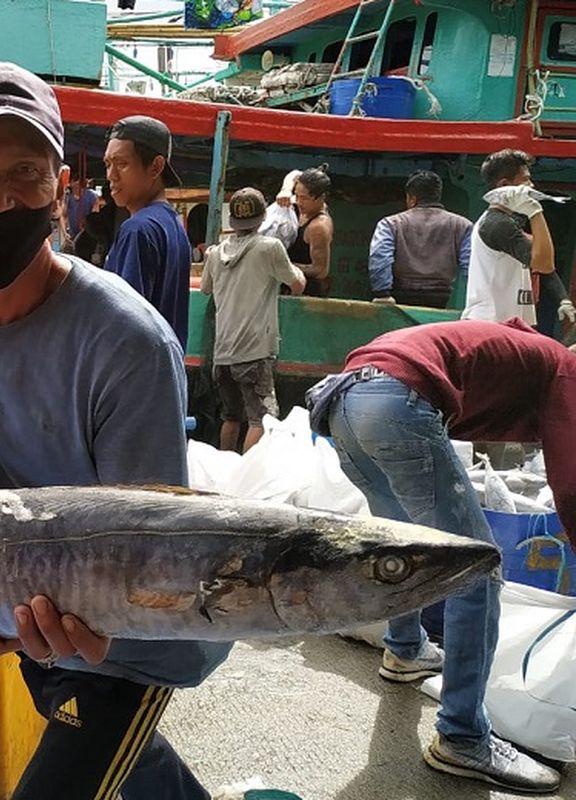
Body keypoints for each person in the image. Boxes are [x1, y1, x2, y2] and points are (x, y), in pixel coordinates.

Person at [0, 62, 231, 800]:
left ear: (60, 189)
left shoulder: (128, 342)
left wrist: (68, 624)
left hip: (134, 637)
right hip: (16, 601)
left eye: (23, 174)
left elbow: (141, 553)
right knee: (134, 768)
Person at [307, 318, 573, 794]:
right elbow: (569, 477)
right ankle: (464, 737)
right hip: (396, 398)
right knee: (475, 567)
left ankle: (406, 649)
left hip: (346, 398)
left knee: (408, 547)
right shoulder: (566, 371)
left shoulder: (532, 350)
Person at [201, 188, 306, 453]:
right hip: (254, 352)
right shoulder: (270, 247)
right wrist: (297, 271)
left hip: (222, 354)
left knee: (231, 417)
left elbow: (206, 289)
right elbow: (297, 285)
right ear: (262, 218)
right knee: (261, 420)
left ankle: (224, 476)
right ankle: (247, 481)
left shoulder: (215, 253)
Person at [103, 115, 194, 349]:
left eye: (121, 164)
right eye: (108, 164)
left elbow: (122, 326)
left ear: (155, 167)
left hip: (134, 377)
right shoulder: (173, 225)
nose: (110, 176)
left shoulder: (138, 230)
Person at [462, 149, 575, 328]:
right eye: (525, 179)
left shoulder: (507, 221)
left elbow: (544, 268)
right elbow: (543, 263)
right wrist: (535, 212)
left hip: (507, 322)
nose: (531, 186)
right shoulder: (497, 224)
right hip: (492, 323)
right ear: (505, 185)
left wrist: (562, 299)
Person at [368, 170, 472, 308]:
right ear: (437, 196)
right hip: (440, 296)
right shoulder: (462, 225)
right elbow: (470, 266)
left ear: (412, 199)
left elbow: (380, 257)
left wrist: (382, 294)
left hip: (401, 293)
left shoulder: (390, 224)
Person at [287, 166, 333, 298]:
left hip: (307, 295)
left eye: (305, 198)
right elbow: (293, 175)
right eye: (296, 196)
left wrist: (285, 265)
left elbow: (320, 270)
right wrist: (285, 191)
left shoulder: (319, 227)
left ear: (320, 198)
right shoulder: (300, 211)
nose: (299, 202)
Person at [63, 176, 98, 249]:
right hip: (72, 234)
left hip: (87, 233)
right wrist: (64, 232)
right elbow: (63, 215)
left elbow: (95, 215)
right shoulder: (68, 197)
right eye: (74, 182)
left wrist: (87, 227)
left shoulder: (91, 196)